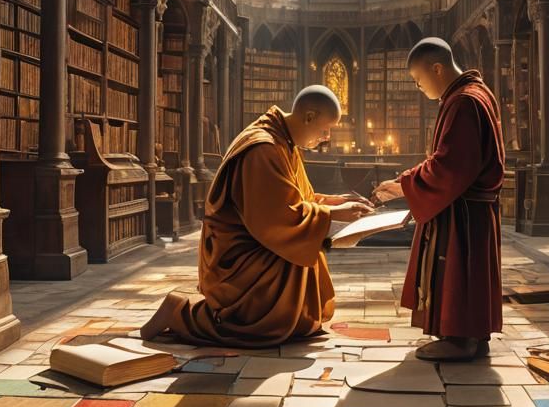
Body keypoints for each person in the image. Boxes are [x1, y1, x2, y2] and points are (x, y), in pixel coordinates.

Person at [139, 85, 373, 346]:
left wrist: (333, 202)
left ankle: (289, 317)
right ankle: (179, 311)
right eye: (325, 129)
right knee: (262, 324)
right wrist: (331, 215)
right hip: (240, 253)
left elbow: (292, 199)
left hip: (258, 238)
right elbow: (278, 220)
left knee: (304, 254)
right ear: (308, 117)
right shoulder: (264, 148)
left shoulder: (283, 142)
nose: (327, 137)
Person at [372, 38, 505, 361]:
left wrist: (403, 186)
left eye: (419, 80)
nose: (419, 88)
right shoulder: (476, 93)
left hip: (463, 211)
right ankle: (474, 334)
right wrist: (406, 181)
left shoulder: (463, 102)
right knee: (467, 271)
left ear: (437, 68)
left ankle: (460, 338)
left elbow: (450, 166)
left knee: (457, 269)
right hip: (472, 208)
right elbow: (447, 159)